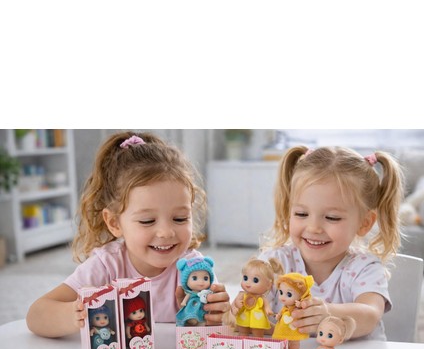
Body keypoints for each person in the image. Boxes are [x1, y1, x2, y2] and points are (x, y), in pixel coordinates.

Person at [26, 131, 229, 337]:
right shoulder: (107, 265)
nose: (166, 232)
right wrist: (74, 314)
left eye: (180, 218)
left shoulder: (193, 267)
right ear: (114, 223)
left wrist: (215, 316)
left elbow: (222, 326)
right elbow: (36, 315)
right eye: (147, 221)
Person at [259, 145, 404, 340]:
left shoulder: (364, 268)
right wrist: (235, 311)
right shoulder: (274, 263)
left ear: (364, 223)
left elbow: (370, 314)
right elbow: (253, 310)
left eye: (332, 217)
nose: (313, 228)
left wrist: (328, 312)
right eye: (301, 214)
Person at [230, 257, 283, 338]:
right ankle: (242, 338)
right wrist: (236, 306)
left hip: (257, 319)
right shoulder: (242, 294)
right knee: (242, 330)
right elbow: (234, 303)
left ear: (268, 285)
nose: (248, 283)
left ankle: (257, 340)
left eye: (255, 280)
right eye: (245, 278)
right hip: (244, 317)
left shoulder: (262, 298)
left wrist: (268, 310)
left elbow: (267, 306)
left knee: (257, 332)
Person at [272, 271, 314, 349]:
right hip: (283, 328)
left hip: (294, 328)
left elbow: (303, 314)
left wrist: (300, 305)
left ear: (301, 295)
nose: (283, 297)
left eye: (289, 294)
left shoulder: (298, 308)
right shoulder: (285, 308)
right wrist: (278, 315)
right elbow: (281, 312)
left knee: (294, 341)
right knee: (282, 340)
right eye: (281, 292)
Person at [176, 256, 214, 326]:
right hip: (191, 306)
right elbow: (186, 297)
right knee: (190, 313)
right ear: (186, 281)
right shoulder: (190, 294)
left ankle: (202, 321)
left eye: (205, 278)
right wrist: (184, 302)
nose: (201, 282)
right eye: (194, 278)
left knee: (203, 315)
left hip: (203, 308)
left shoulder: (206, 293)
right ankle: (191, 319)